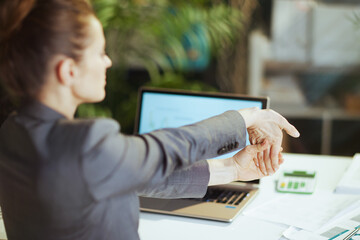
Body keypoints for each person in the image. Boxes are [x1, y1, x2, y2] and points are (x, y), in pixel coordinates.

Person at [0, 0, 299, 239]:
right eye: (100, 52)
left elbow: (134, 172)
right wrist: (247, 117)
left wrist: (231, 167)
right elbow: (167, 148)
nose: (108, 61)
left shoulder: (12, 131)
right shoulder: (84, 143)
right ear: (68, 71)